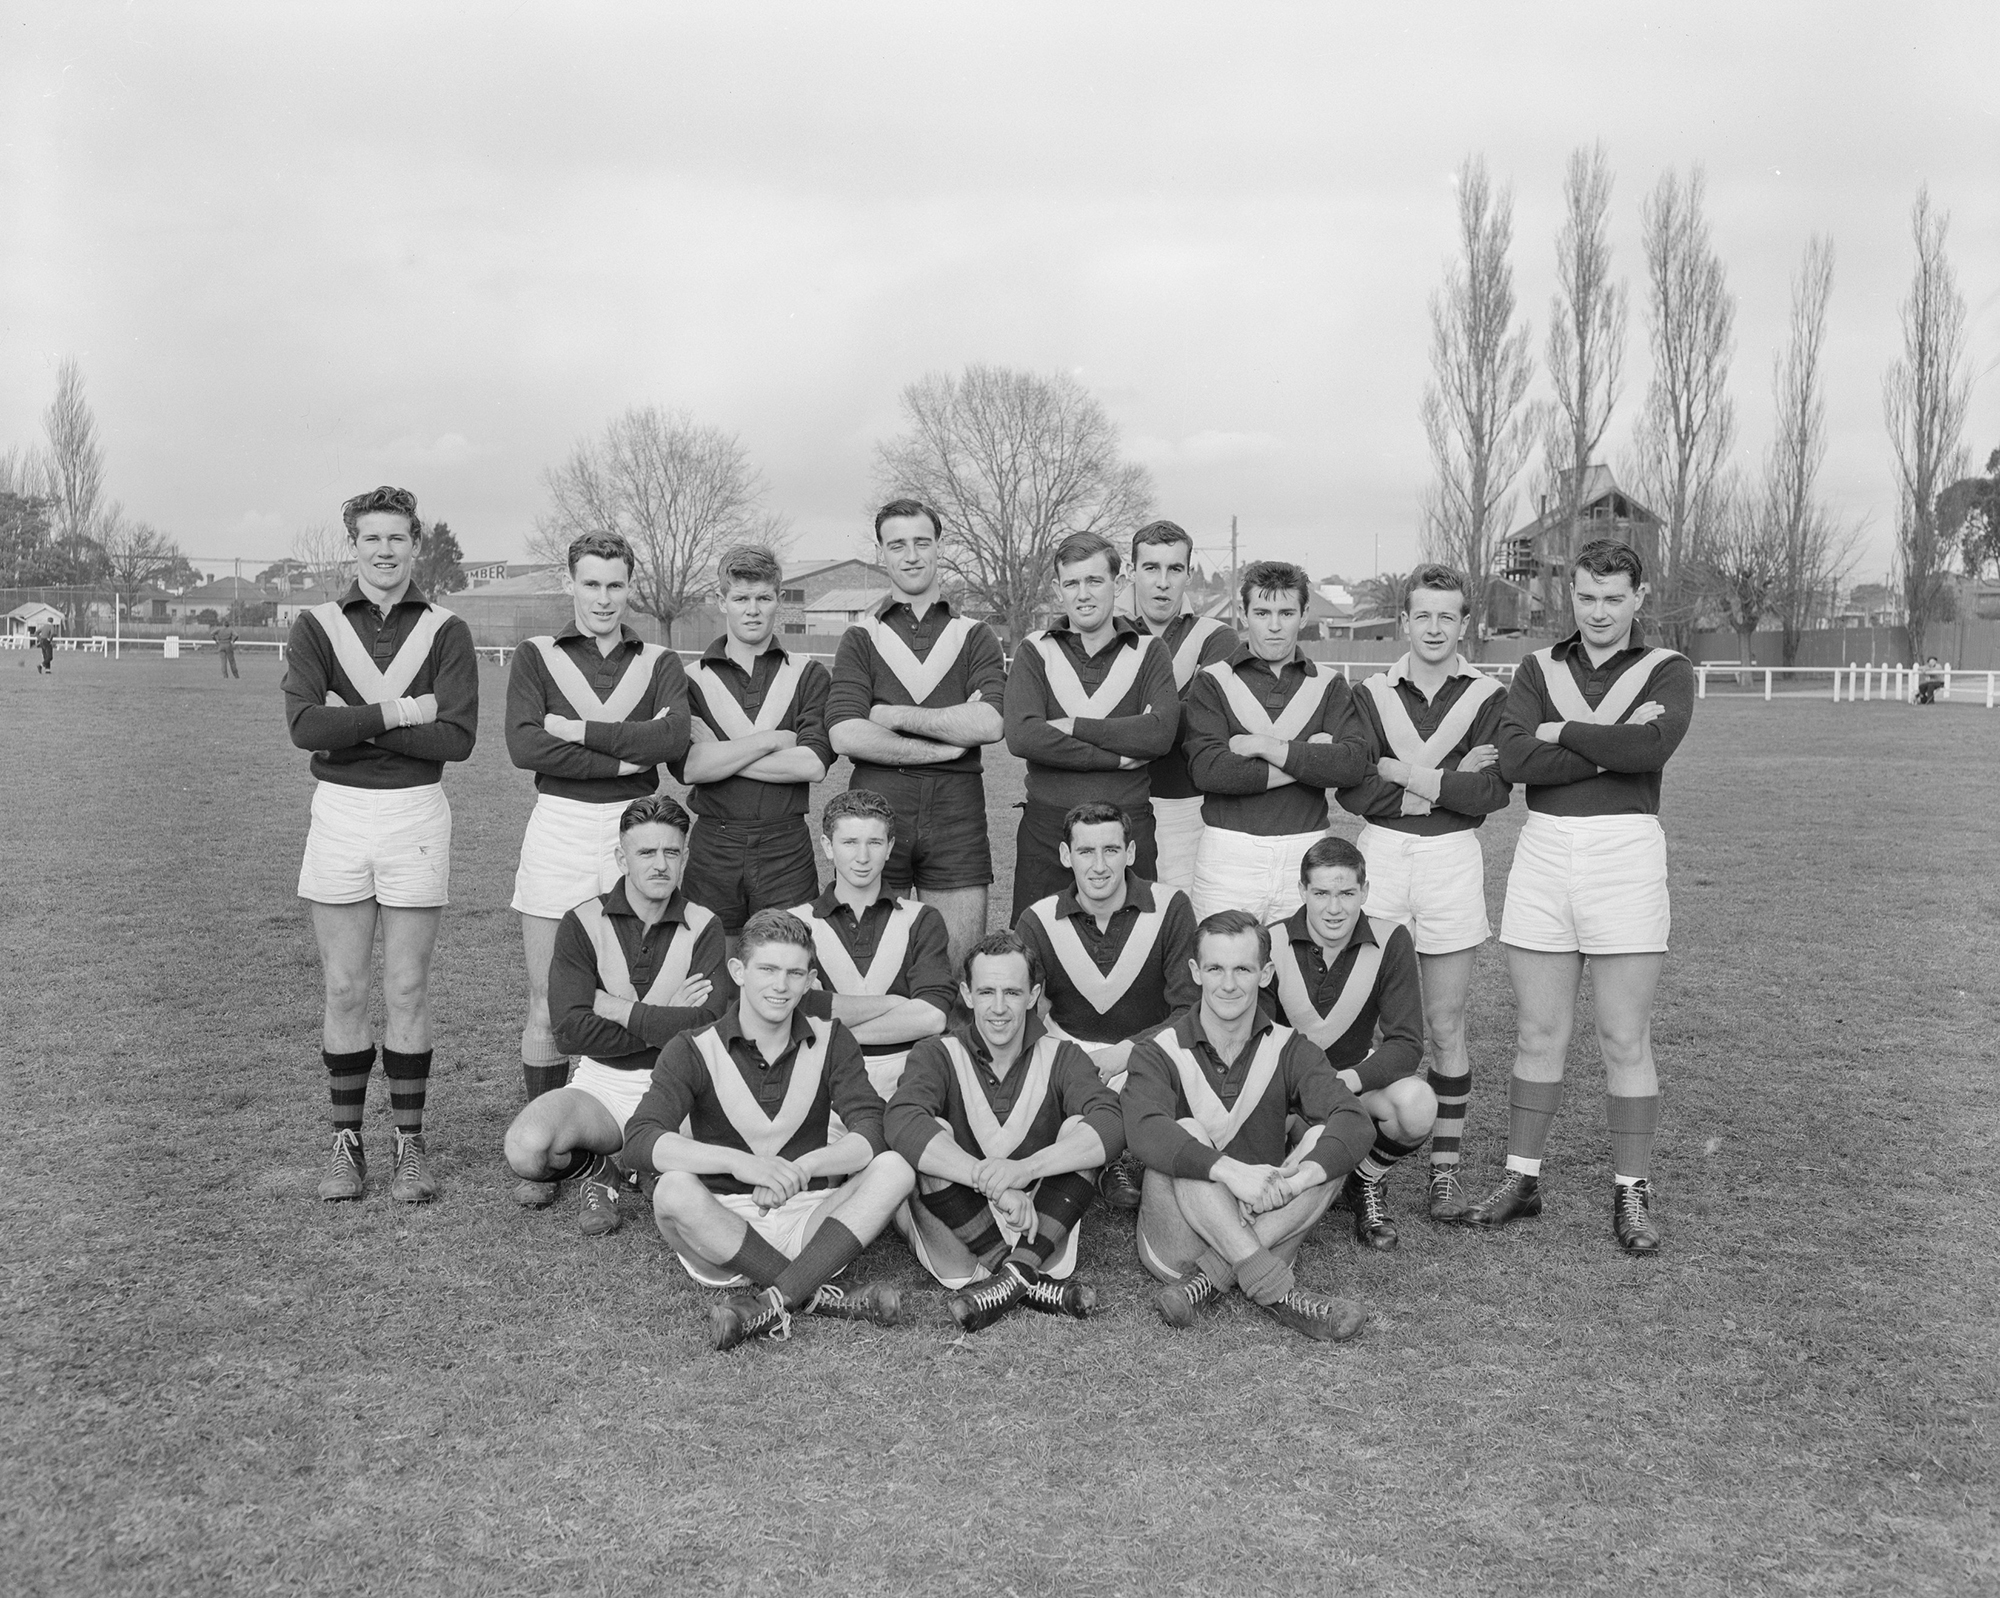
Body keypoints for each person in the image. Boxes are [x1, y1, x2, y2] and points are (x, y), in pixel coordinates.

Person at [1466, 538, 1695, 1254]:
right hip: (1544, 846)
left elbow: (1649, 752)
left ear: (1639, 598)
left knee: (1624, 1036)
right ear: (1572, 596)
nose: (1599, 612)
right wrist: (1605, 741)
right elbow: (1515, 756)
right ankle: (1521, 1178)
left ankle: (1631, 1193)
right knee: (1538, 1032)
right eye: (1588, 598)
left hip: (1625, 849)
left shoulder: (1670, 669)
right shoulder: (1538, 666)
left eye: (1614, 598)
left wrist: (1560, 731)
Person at [283, 485, 478, 1204]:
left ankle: (409, 1145)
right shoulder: (318, 625)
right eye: (372, 538)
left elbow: (456, 737)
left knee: (406, 987)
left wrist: (354, 720)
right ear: (353, 544)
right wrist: (405, 710)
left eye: (398, 538)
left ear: (415, 544)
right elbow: (306, 727)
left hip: (416, 813)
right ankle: (345, 1144)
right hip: (339, 813)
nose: (385, 550)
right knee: (343, 987)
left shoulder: (446, 630)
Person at [623, 909, 916, 1352]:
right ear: (738, 971)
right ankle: (817, 1295)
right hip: (722, 1227)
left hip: (812, 1219)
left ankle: (768, 1301)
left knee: (895, 1167)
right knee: (672, 1191)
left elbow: (873, 1128)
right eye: (768, 969)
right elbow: (640, 1139)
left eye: (795, 973)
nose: (781, 986)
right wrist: (745, 1166)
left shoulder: (832, 1038)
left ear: (810, 979)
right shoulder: (692, 1048)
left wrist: (805, 1167)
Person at [1329, 563, 1510, 1221]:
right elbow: (1353, 787)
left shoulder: (1489, 696)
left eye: (1448, 616)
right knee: (1367, 1022)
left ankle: (1443, 1173)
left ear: (1466, 623)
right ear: (1403, 621)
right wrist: (1446, 779)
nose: (1434, 628)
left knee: (1444, 1023)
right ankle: (1364, 1171)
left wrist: (1402, 774)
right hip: (1379, 854)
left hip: (1452, 861)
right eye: (1423, 615)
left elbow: (1488, 794)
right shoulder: (1368, 693)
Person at [1123, 910, 1376, 1341]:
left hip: (1266, 1222)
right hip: (1178, 1243)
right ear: (1195, 973)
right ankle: (1279, 1295)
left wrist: (1292, 1185)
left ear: (1265, 974)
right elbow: (1143, 1130)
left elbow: (1354, 1121)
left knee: (1325, 1141)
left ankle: (1211, 1280)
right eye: (1215, 968)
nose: (1228, 983)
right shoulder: (1157, 1051)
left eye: (1243, 968)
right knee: (1184, 1130)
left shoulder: (1289, 1047)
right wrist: (1230, 1172)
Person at [506, 530, 690, 1106]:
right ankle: (546, 1137)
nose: (604, 598)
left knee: (637, 990)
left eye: (615, 585)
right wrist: (629, 755)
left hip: (638, 828)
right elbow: (527, 748)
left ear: (630, 587)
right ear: (570, 584)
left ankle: (625, 1132)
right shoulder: (537, 654)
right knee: (548, 998)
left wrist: (576, 733)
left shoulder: (659, 661)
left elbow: (673, 738)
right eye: (591, 584)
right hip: (558, 825)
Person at [503, 795, 731, 1234]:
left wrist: (616, 1008)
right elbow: (570, 1032)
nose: (660, 864)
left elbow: (709, 1027)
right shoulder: (581, 921)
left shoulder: (706, 925)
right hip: (602, 1085)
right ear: (621, 857)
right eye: (646, 852)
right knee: (526, 1150)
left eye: (671, 852)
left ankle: (638, 1164)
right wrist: (665, 1017)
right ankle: (601, 1169)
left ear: (685, 856)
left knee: (704, 1177)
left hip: (681, 1087)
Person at [886, 931, 1122, 1331]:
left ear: (1033, 995)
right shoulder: (936, 1053)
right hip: (957, 1237)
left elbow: (1112, 1125)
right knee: (931, 1133)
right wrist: (993, 1181)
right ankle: (1023, 1279)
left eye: (1012, 993)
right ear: (965, 993)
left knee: (1082, 1130)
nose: (998, 1008)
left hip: (1039, 1223)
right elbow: (901, 1121)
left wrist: (1025, 1170)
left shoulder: (1063, 1055)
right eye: (986, 992)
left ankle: (1010, 1277)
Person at [826, 499, 1009, 970]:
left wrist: (889, 714)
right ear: (881, 553)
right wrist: (948, 745)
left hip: (957, 815)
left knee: (958, 968)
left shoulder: (976, 634)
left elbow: (989, 722)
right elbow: (846, 734)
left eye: (922, 543)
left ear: (939, 547)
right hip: (877, 810)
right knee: (867, 966)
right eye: (898, 545)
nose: (911, 556)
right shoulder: (860, 637)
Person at [1013, 800, 1197, 1208]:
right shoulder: (1039, 919)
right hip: (1072, 1049)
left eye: (1111, 850)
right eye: (1085, 852)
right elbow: (1017, 1010)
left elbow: (1191, 1008)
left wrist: (1127, 1053)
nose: (1099, 866)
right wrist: (1058, 1062)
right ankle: (1110, 1156)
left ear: (1130, 853)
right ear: (1066, 856)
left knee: (1151, 1087)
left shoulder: (1170, 907)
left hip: (1149, 1048)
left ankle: (1102, 1154)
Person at [1261, 837, 1428, 1251]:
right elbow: (1254, 1037)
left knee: (1417, 1103)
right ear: (1302, 891)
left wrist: (1346, 1082)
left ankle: (1365, 1178)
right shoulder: (1270, 940)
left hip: (1353, 1085)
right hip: (1285, 1090)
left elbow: (1406, 1043)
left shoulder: (1391, 940)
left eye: (1346, 894)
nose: (1334, 908)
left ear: (1364, 892)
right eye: (1321, 893)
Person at [1002, 529, 1178, 919]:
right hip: (1048, 829)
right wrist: (1116, 758)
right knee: (1038, 955)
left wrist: (1073, 726)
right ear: (1056, 588)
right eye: (1072, 583)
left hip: (1128, 828)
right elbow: (1023, 735)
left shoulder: (1150, 650)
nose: (1083, 593)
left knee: (1135, 953)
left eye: (1095, 581)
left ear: (1118, 584)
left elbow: (1159, 733)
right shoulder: (1035, 650)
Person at [1182, 560, 1354, 922]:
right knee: (1224, 973)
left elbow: (1351, 764)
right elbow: (1210, 771)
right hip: (1228, 853)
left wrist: (1264, 746)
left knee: (1300, 975)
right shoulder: (1213, 681)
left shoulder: (1329, 683)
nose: (1274, 626)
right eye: (1262, 612)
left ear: (1304, 614)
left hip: (1306, 851)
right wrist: (1312, 759)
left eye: (1286, 612)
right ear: (1243, 615)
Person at [674, 544, 832, 933]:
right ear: (720, 601)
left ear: (779, 599)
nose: (752, 609)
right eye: (740, 598)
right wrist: (774, 739)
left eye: (763, 597)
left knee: (787, 964)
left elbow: (811, 765)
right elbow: (691, 768)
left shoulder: (808, 675)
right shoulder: (690, 678)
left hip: (786, 844)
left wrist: (720, 755)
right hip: (714, 843)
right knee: (711, 970)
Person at [788, 788, 955, 1101]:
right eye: (849, 842)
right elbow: (794, 1009)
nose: (862, 857)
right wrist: (893, 1003)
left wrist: (827, 1026)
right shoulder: (796, 923)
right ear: (827, 846)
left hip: (910, 1081)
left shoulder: (921, 919)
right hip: (822, 1082)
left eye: (874, 842)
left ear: (890, 847)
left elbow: (933, 1016)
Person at [1128, 520, 1238, 892]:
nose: (1163, 581)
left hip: (1186, 807)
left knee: (1183, 928)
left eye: (1174, 569)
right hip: (1113, 800)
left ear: (1188, 574)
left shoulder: (1217, 636)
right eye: (1151, 568)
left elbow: (1201, 724)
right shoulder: (1107, 631)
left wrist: (1118, 726)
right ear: (1131, 572)